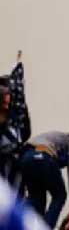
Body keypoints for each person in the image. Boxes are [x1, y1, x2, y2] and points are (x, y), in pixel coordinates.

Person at [19, 131, 69, 230]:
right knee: (59, 195)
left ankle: (14, 226)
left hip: (26, 158)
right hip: (44, 156)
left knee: (36, 198)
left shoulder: (52, 138)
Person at [0, 58, 30, 194]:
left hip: (16, 168)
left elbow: (26, 133)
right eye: (5, 93)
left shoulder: (16, 116)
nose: (8, 96)